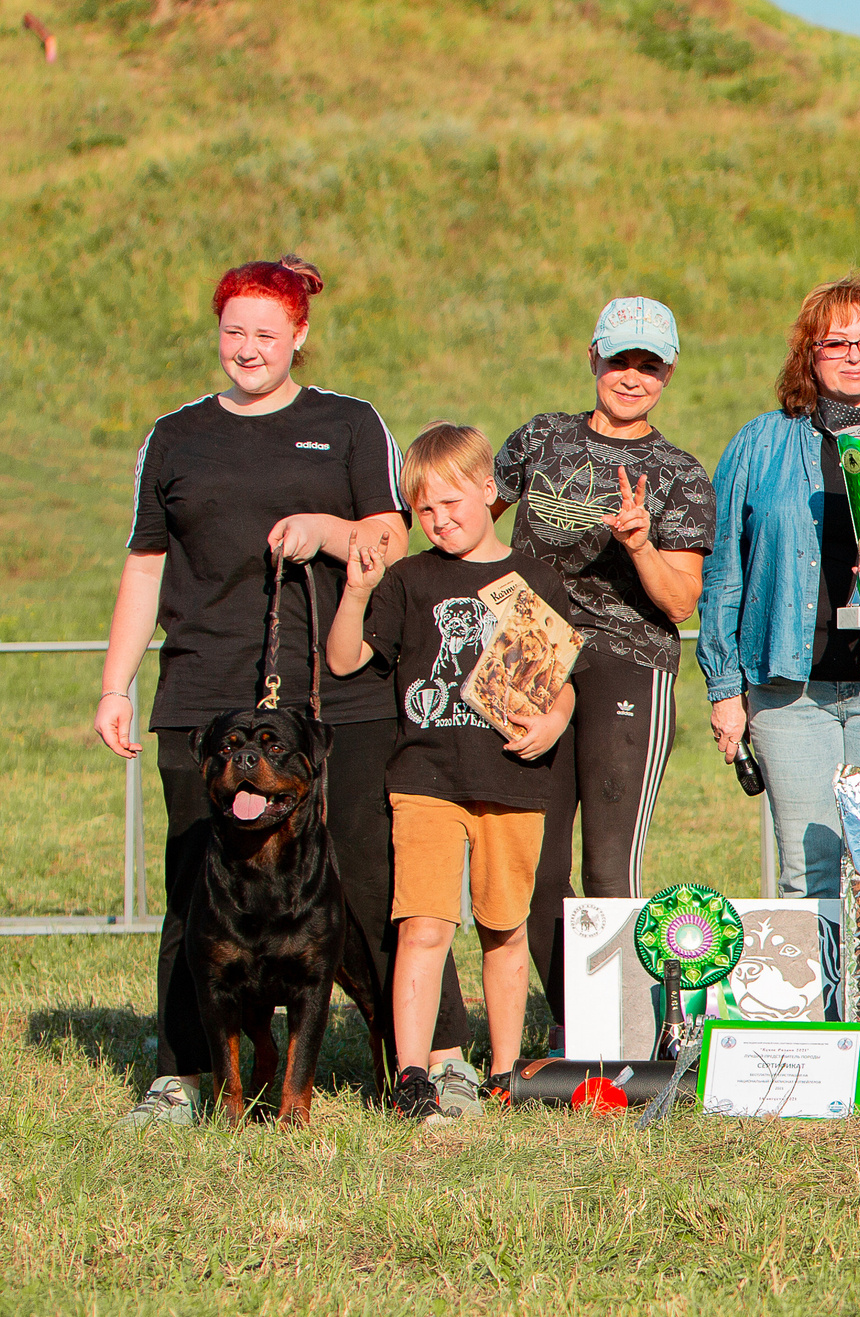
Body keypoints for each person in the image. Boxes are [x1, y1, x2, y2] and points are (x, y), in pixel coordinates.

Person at [96, 255, 470, 1128]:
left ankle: (431, 1061)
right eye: (234, 332)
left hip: (337, 694)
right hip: (205, 697)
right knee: (196, 886)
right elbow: (144, 565)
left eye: (267, 333)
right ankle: (182, 1075)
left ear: (299, 335)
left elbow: (388, 535)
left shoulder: (346, 423)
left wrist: (327, 529)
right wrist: (116, 683)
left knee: (375, 877)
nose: (249, 348)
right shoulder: (175, 435)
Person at [328, 423, 582, 1120]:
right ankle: (414, 1074)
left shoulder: (533, 578)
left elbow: (559, 679)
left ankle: (504, 1072)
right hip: (425, 784)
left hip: (514, 781)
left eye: (452, 503)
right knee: (424, 926)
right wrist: (356, 593)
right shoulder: (409, 581)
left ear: (489, 490)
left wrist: (555, 722)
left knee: (504, 929)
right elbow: (346, 659)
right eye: (425, 511)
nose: (439, 521)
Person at [698, 272, 860, 897]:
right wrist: (723, 688)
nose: (854, 356)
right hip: (789, 694)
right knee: (808, 873)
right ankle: (821, 1000)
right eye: (836, 343)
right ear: (808, 355)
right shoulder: (758, 442)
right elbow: (723, 575)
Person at [494, 297, 712, 1038]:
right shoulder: (539, 439)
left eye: (648, 365)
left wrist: (642, 544)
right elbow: (467, 516)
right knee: (535, 867)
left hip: (628, 660)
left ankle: (621, 1033)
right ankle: (572, 1026)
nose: (632, 376)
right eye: (620, 359)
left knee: (608, 866)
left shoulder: (678, 474)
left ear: (668, 373)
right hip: (528, 649)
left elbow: (680, 602)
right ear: (593, 356)